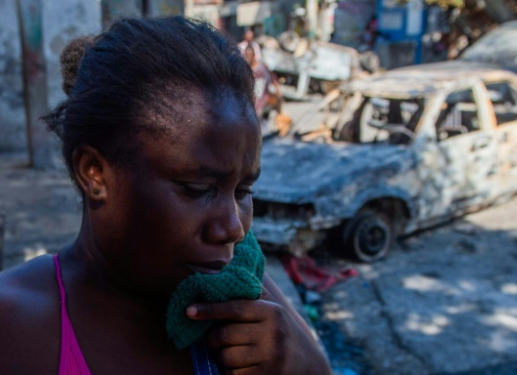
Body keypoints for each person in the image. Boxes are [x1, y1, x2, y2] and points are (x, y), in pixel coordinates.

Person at [0, 17, 332, 375]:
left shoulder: (236, 292)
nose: (234, 228)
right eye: (198, 190)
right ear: (95, 173)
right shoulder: (15, 329)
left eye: (243, 190)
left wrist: (306, 365)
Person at [244, 45, 282, 133]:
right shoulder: (244, 68)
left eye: (250, 54)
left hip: (263, 101)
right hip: (251, 102)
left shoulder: (262, 68)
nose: (248, 57)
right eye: (246, 55)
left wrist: (278, 93)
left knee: (262, 125)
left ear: (254, 55)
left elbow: (274, 79)